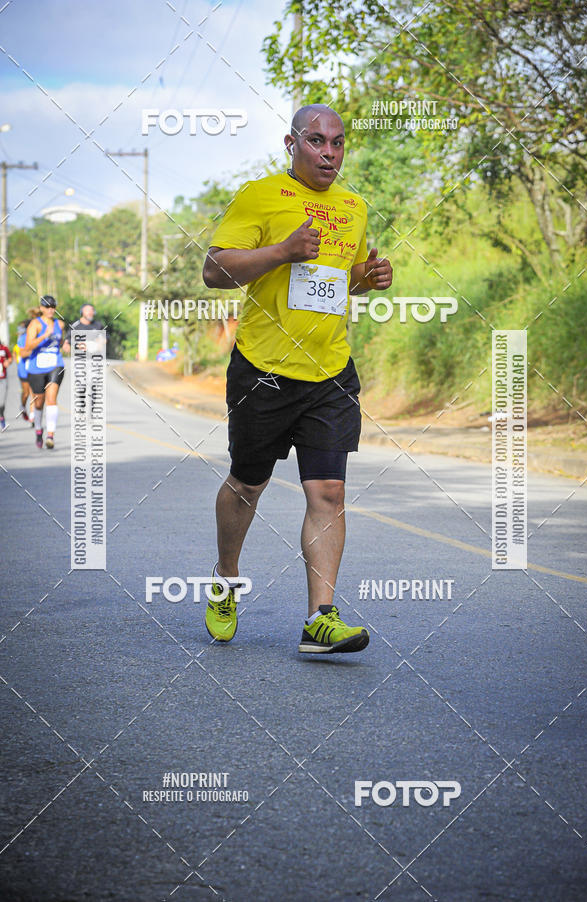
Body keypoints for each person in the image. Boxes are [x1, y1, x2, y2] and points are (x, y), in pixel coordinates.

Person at [202, 104, 393, 654]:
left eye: (337, 142)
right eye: (316, 141)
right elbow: (214, 271)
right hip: (263, 368)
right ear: (292, 144)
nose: (329, 152)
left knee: (329, 491)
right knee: (248, 483)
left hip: (330, 369)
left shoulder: (353, 207)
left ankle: (320, 619)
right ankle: (225, 578)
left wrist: (367, 278)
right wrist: (282, 251)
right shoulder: (259, 196)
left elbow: (337, 281)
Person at [23, 295, 65, 449]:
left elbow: (60, 342)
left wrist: (65, 345)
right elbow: (28, 346)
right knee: (39, 402)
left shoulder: (59, 324)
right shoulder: (35, 324)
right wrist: (44, 336)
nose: (50, 310)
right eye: (47, 307)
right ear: (41, 308)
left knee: (52, 398)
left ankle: (51, 435)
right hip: (37, 367)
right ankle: (39, 430)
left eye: (53, 307)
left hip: (56, 364)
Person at [14, 319, 32, 422]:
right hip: (23, 369)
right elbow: (22, 353)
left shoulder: (37, 336)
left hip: (35, 368)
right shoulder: (22, 338)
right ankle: (23, 406)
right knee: (26, 392)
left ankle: (33, 414)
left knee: (35, 392)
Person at [0, 337, 13, 430]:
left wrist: (8, 361)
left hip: (3, 378)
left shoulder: (4, 349)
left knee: (2, 402)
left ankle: (1, 416)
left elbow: (10, 358)